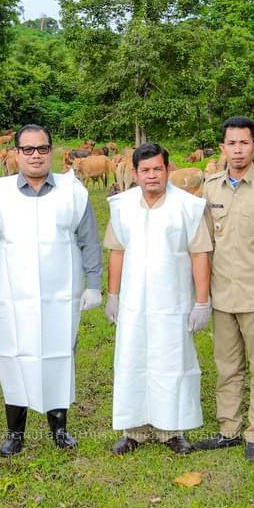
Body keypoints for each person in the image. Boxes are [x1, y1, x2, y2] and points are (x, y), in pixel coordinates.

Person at [0, 124, 103, 457]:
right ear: (16, 154)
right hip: (11, 294)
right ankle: (15, 434)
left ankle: (59, 429)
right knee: (14, 356)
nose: (35, 155)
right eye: (27, 149)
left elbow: (89, 240)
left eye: (42, 148)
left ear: (51, 151)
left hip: (61, 295)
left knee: (59, 354)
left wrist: (94, 283)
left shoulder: (73, 192)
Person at [104, 143, 212, 456]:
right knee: (132, 360)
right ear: (135, 173)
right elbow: (117, 251)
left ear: (167, 169)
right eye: (145, 170)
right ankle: (133, 430)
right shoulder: (122, 206)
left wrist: (201, 301)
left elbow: (200, 255)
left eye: (157, 169)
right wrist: (113, 295)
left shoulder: (188, 207)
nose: (152, 175)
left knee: (172, 361)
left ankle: (171, 430)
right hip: (133, 301)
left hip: (173, 301)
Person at [195, 116, 254, 463]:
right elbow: (204, 243)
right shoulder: (210, 187)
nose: (237, 150)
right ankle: (229, 429)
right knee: (227, 366)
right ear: (222, 147)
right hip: (222, 295)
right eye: (231, 143)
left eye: (244, 143)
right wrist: (202, 294)